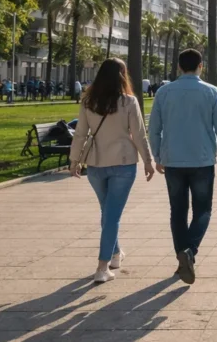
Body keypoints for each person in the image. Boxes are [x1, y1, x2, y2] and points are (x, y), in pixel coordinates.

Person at [148, 49, 217, 285]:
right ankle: (190, 252)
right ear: (200, 66)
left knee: (177, 211)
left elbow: (154, 128)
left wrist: (157, 155)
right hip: (202, 160)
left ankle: (182, 257)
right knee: (203, 210)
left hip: (173, 160)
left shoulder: (164, 92)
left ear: (178, 67)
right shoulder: (212, 92)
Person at [70, 58, 153, 283]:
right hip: (123, 163)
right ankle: (102, 266)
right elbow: (139, 133)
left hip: (96, 164)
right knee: (111, 215)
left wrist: (74, 159)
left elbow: (80, 133)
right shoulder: (129, 102)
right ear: (122, 76)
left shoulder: (89, 101)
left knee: (108, 213)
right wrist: (147, 160)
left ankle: (115, 254)